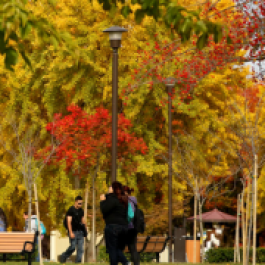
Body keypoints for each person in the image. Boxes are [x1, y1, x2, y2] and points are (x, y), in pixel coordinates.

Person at [100, 181, 130, 265]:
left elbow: (104, 210)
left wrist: (102, 201)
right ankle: (126, 262)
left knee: (112, 249)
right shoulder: (123, 199)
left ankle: (126, 262)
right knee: (117, 249)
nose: (108, 188)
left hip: (113, 227)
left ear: (113, 189)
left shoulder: (112, 199)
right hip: (124, 227)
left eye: (110, 187)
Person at [60, 195, 87, 264]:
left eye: (81, 203)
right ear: (75, 202)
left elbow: (83, 220)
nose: (80, 205)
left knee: (80, 249)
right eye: (79, 203)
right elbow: (68, 222)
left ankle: (78, 262)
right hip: (73, 231)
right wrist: (70, 232)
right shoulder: (71, 210)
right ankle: (64, 256)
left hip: (80, 232)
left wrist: (85, 230)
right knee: (72, 247)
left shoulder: (81, 210)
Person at [124, 186, 140, 265]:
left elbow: (130, 215)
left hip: (129, 226)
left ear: (126, 192)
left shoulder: (129, 201)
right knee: (133, 247)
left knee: (130, 247)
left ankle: (128, 262)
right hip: (134, 226)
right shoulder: (134, 201)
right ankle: (136, 263)